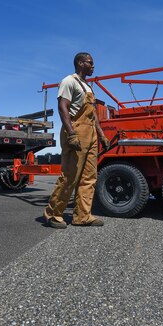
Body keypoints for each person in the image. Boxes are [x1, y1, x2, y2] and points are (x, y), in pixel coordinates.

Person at [43, 52, 110, 229]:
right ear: (80, 63)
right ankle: (53, 214)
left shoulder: (88, 87)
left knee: (89, 177)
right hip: (76, 131)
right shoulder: (69, 81)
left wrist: (101, 134)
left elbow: (93, 114)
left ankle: (82, 215)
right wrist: (71, 133)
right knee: (70, 176)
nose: (93, 66)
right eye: (90, 62)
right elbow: (62, 106)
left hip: (91, 134)